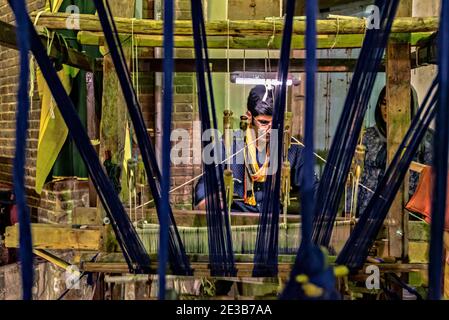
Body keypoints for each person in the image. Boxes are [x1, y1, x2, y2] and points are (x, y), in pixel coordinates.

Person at [194, 85, 319, 213]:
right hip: (237, 222)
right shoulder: (227, 145)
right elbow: (205, 184)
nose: (271, 129)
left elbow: (312, 186)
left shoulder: (293, 149)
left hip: (275, 224)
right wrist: (206, 201)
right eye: (264, 122)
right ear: (249, 116)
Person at [356, 86, 433, 217]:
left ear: (410, 105)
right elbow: (359, 177)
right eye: (384, 103)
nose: (387, 109)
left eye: (395, 103)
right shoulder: (368, 136)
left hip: (409, 215)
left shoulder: (426, 138)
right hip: (370, 215)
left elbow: (434, 179)